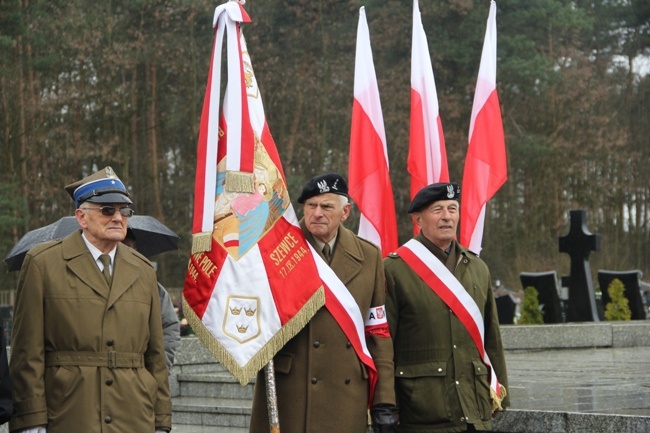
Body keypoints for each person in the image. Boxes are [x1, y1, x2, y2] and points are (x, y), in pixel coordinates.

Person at [9, 167, 172, 433]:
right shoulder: (43, 263)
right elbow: (27, 353)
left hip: (134, 414)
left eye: (125, 211)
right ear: (81, 217)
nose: (118, 217)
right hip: (69, 413)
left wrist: (162, 420)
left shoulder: (142, 268)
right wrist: (31, 420)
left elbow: (155, 355)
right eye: (108, 210)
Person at [249, 173, 398, 433]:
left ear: (345, 211)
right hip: (291, 393)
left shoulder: (369, 256)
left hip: (346, 396)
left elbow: (378, 333)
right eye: (310, 205)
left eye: (327, 206)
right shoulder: (278, 250)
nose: (317, 213)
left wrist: (384, 401)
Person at [384, 182, 509, 433]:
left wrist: (501, 394)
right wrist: (386, 405)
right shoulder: (394, 269)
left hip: (475, 409)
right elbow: (384, 344)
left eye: (453, 209)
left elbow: (492, 340)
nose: (447, 217)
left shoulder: (477, 268)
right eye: (437, 210)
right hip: (423, 411)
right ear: (418, 218)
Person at [122, 228, 181, 371]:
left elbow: (169, 329)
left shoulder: (153, 288)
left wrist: (159, 370)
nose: (122, 253)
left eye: (127, 248)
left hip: (139, 377)